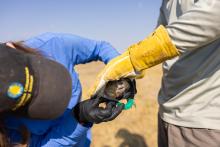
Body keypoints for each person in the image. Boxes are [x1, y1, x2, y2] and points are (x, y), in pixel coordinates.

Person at [89, 0, 220, 146]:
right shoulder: (167, 2)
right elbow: (159, 35)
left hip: (201, 120)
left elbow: (212, 16)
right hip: (167, 110)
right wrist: (129, 77)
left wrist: (133, 60)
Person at [0, 32, 125, 146]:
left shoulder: (53, 45)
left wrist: (122, 73)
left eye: (40, 76)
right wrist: (80, 118)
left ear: (12, 48)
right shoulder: (5, 125)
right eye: (29, 104)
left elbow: (99, 48)